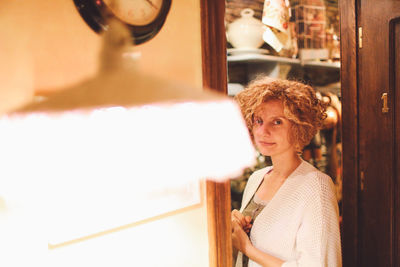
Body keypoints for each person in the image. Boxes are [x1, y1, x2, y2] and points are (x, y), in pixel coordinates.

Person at [231, 77, 342, 267]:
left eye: (277, 122)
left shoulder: (316, 187)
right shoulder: (257, 179)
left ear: (299, 127)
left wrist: (247, 247)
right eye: (259, 120)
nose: (263, 131)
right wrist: (236, 226)